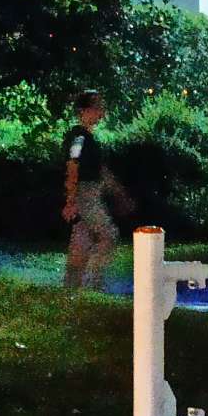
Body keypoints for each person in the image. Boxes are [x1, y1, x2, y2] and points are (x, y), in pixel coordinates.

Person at [62, 90, 133, 290]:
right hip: (85, 194)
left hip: (89, 193)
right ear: (83, 111)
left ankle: (72, 286)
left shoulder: (89, 140)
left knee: (81, 242)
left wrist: (119, 193)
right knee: (108, 235)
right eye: (96, 107)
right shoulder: (79, 137)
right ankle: (91, 282)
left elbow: (100, 171)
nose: (101, 112)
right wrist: (70, 201)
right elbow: (73, 165)